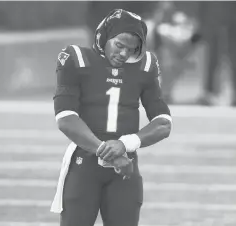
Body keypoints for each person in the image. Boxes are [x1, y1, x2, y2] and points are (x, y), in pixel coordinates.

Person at [51, 9, 172, 226]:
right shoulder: (76, 58)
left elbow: (163, 123)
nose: (124, 54)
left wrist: (125, 143)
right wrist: (108, 152)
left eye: (132, 49)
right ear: (104, 36)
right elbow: (66, 118)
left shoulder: (145, 67)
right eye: (119, 45)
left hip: (125, 170)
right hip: (84, 165)